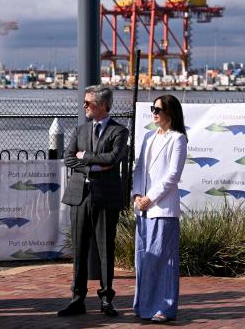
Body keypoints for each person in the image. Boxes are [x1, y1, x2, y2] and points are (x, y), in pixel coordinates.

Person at [59, 85, 129, 318]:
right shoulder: (80, 130)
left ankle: (107, 299)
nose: (84, 106)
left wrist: (86, 157)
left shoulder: (119, 131)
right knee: (79, 249)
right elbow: (68, 158)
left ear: (102, 105)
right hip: (80, 196)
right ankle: (77, 299)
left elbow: (114, 157)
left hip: (105, 197)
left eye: (88, 102)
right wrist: (95, 165)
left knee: (105, 249)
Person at [131, 95, 187, 323]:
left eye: (158, 109)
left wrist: (150, 198)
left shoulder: (178, 139)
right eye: (152, 108)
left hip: (162, 209)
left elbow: (172, 175)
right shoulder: (148, 137)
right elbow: (139, 169)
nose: (154, 112)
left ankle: (165, 308)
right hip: (143, 210)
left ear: (170, 113)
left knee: (165, 261)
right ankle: (144, 306)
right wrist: (136, 195)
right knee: (144, 260)